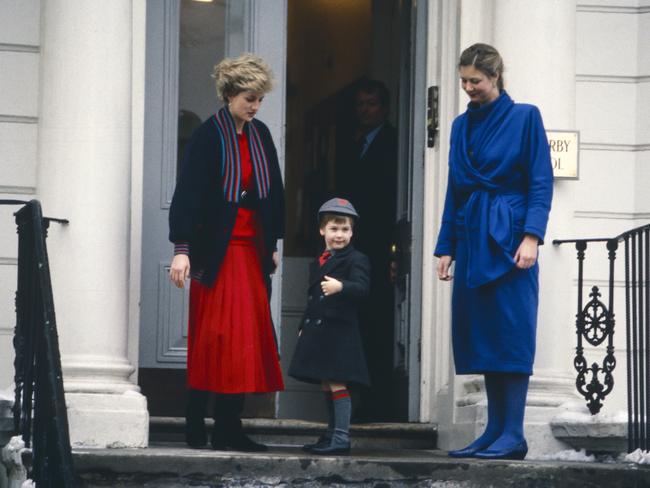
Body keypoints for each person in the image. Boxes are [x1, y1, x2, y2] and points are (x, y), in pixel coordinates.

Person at [434, 43, 553, 460]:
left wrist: (532, 237)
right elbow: (455, 190)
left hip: (509, 241)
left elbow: (540, 180)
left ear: (496, 76)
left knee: (511, 332)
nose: (468, 88)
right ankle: (493, 431)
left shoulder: (525, 118)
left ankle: (514, 433)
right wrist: (445, 246)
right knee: (483, 334)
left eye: (475, 81)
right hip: (471, 239)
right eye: (463, 81)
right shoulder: (459, 127)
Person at [168, 53, 285, 452]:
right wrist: (182, 250)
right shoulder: (207, 136)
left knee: (245, 341)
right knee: (214, 339)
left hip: (251, 252)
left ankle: (229, 427)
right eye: (249, 98)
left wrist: (271, 244)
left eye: (259, 100)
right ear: (230, 94)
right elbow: (188, 195)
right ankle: (195, 423)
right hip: (213, 255)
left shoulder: (261, 134)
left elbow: (275, 193)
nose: (255, 106)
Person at [288, 197, 371, 455]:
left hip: (339, 333)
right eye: (334, 229)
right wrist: (304, 324)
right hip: (320, 332)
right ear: (322, 230)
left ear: (352, 231)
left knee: (338, 384)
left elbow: (362, 288)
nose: (340, 235)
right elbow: (312, 297)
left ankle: (341, 437)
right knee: (326, 383)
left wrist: (341, 286)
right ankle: (330, 434)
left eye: (345, 229)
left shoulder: (356, 259)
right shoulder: (320, 260)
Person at [337, 79, 397, 422]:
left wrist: (392, 252)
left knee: (375, 326)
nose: (364, 110)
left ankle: (378, 402)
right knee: (350, 325)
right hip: (350, 247)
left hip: (376, 249)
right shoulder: (351, 143)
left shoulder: (393, 143)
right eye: (360, 104)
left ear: (385, 109)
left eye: (371, 103)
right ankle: (352, 402)